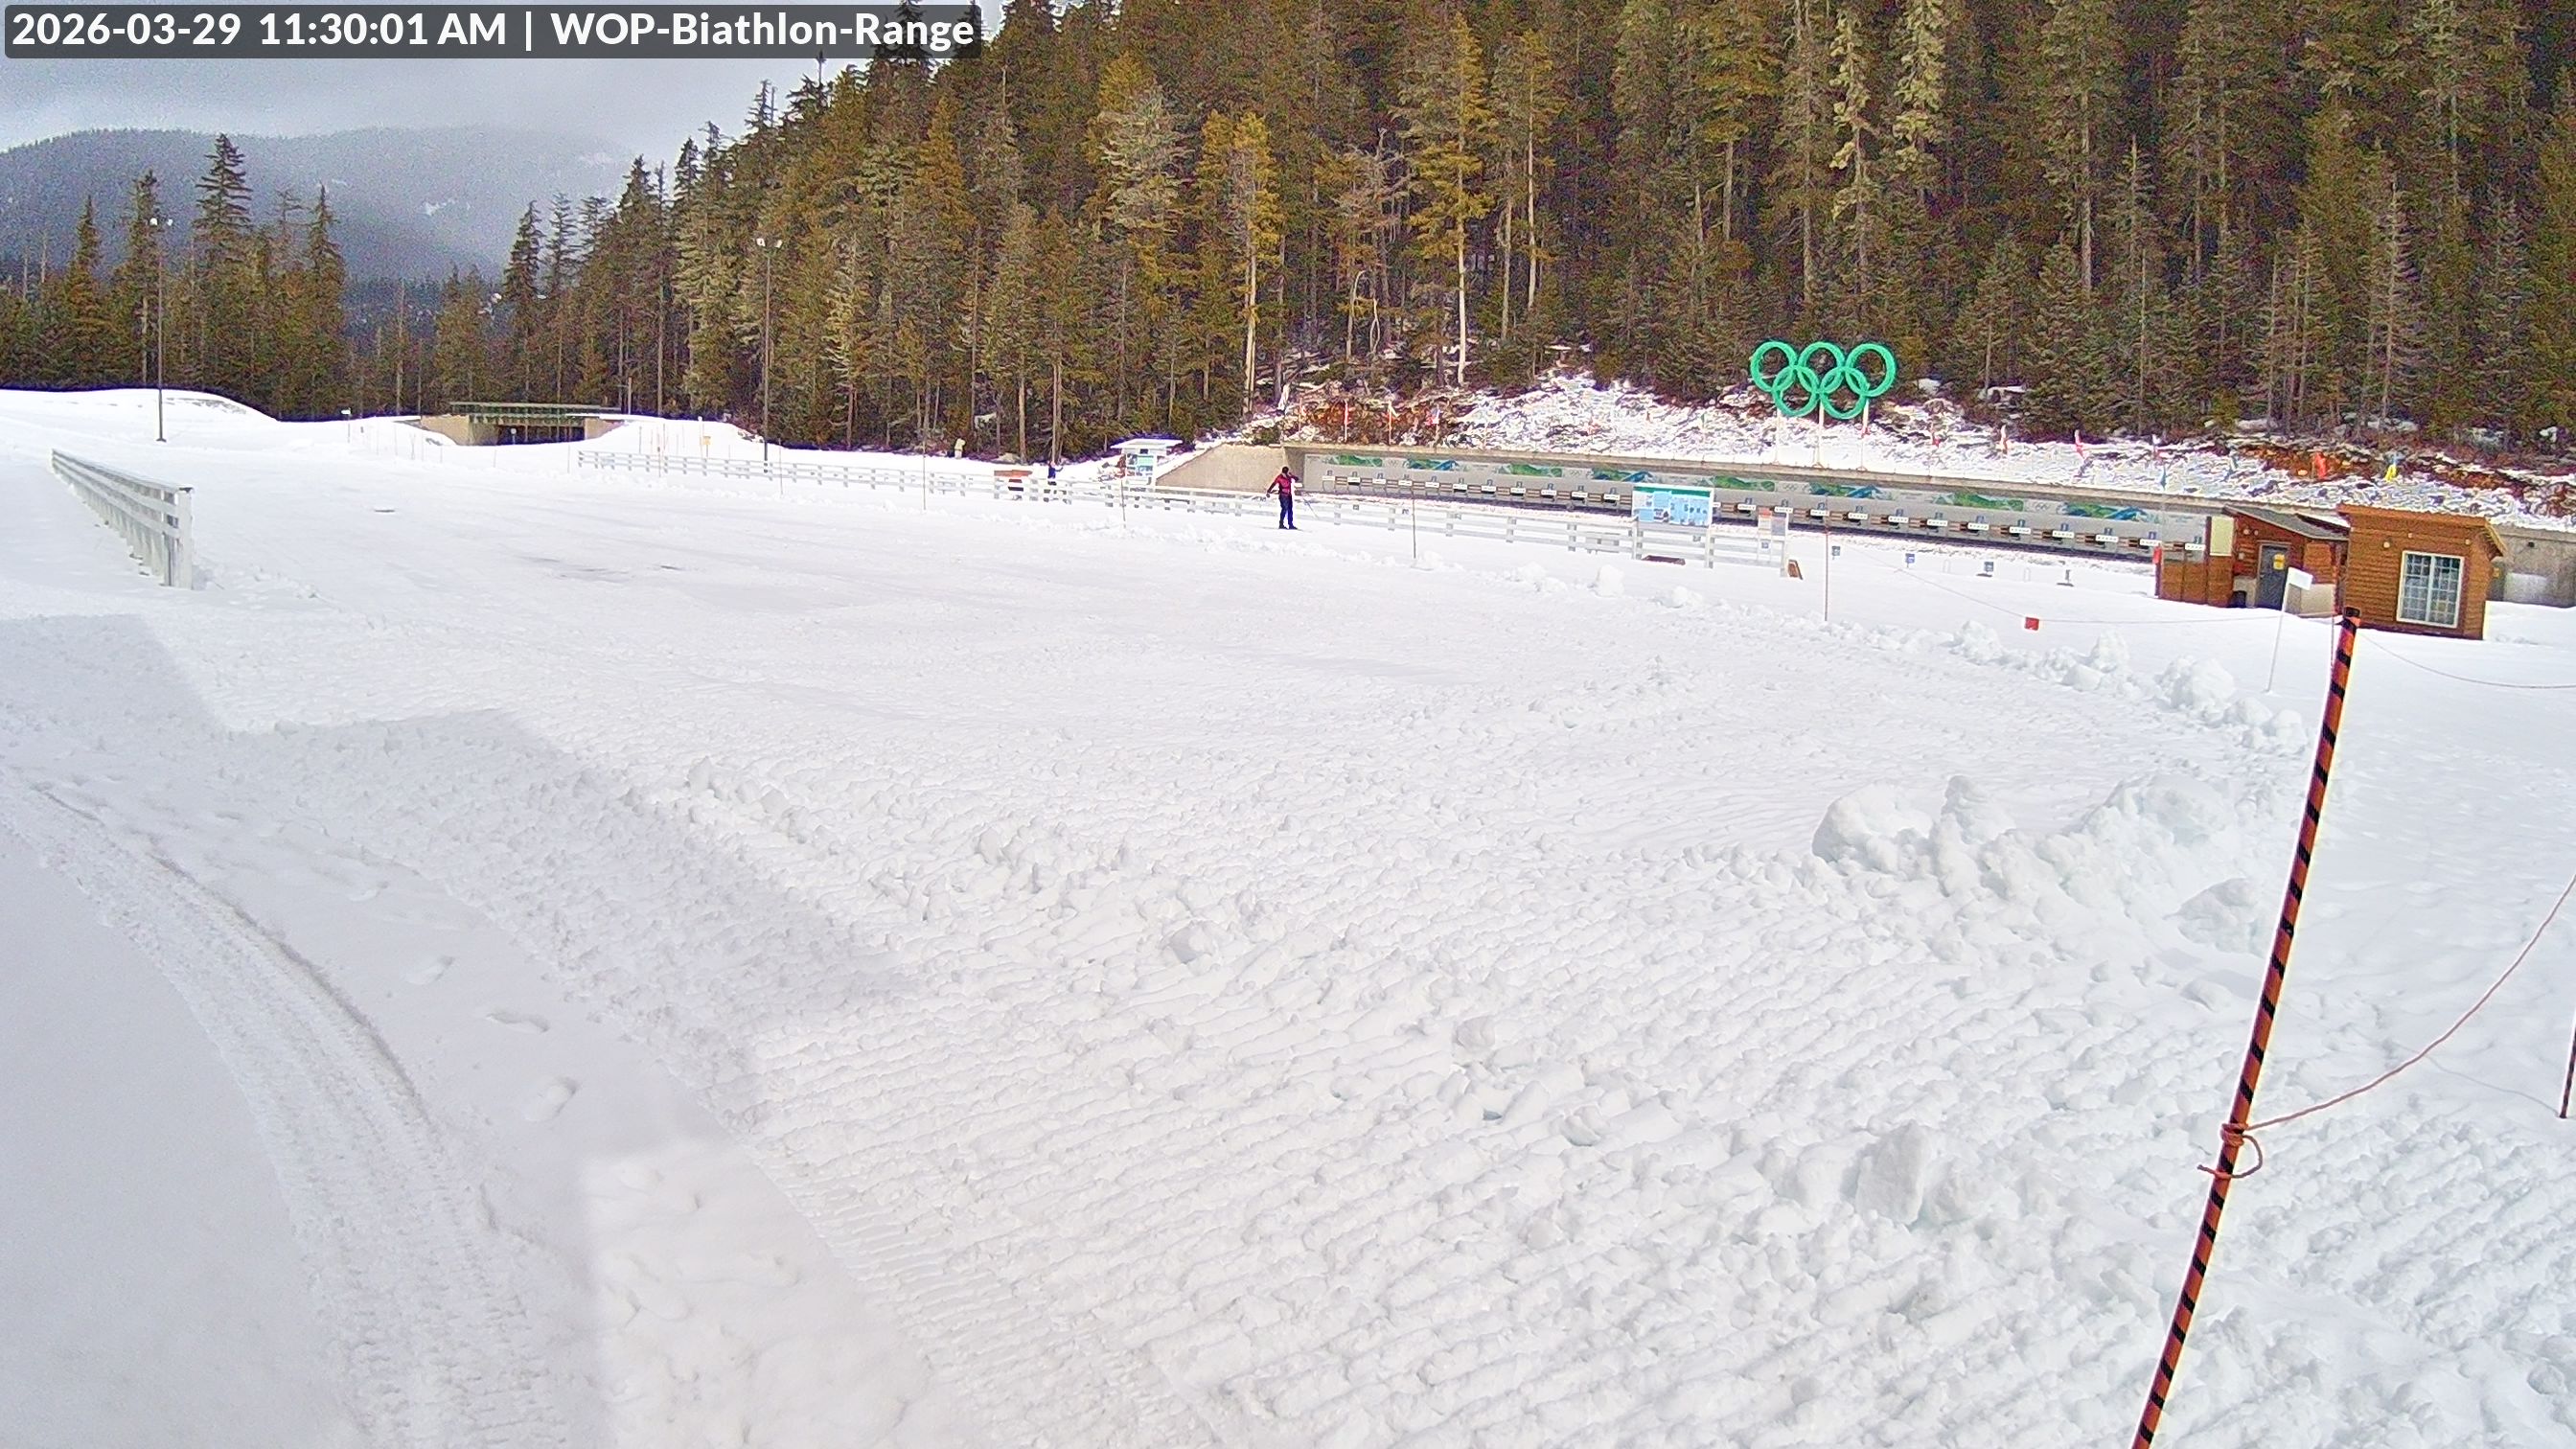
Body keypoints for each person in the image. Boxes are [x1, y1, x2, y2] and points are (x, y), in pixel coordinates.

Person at [1266, 466, 1297, 530]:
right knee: (1284, 509)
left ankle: (1290, 524)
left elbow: (1296, 479)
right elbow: (1274, 484)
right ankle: (1281, 524)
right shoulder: (1280, 477)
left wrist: (1292, 476)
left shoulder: (1289, 477)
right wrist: (1269, 491)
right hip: (1283, 495)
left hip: (1289, 495)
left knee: (1290, 510)